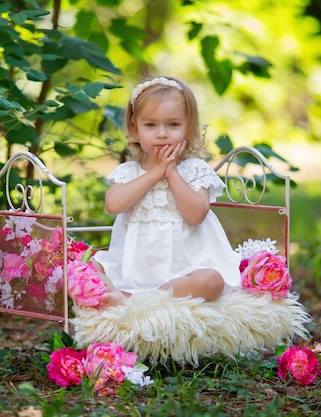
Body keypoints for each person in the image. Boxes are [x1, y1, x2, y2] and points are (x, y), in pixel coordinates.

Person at [92, 76, 242, 308]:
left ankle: (136, 301)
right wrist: (154, 173)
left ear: (188, 128)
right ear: (135, 129)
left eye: (173, 125)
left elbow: (195, 215)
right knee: (85, 268)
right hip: (132, 269)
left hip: (185, 271)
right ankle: (127, 294)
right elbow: (113, 205)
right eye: (150, 125)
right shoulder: (130, 172)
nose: (162, 134)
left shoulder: (194, 170)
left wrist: (171, 173)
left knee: (211, 281)